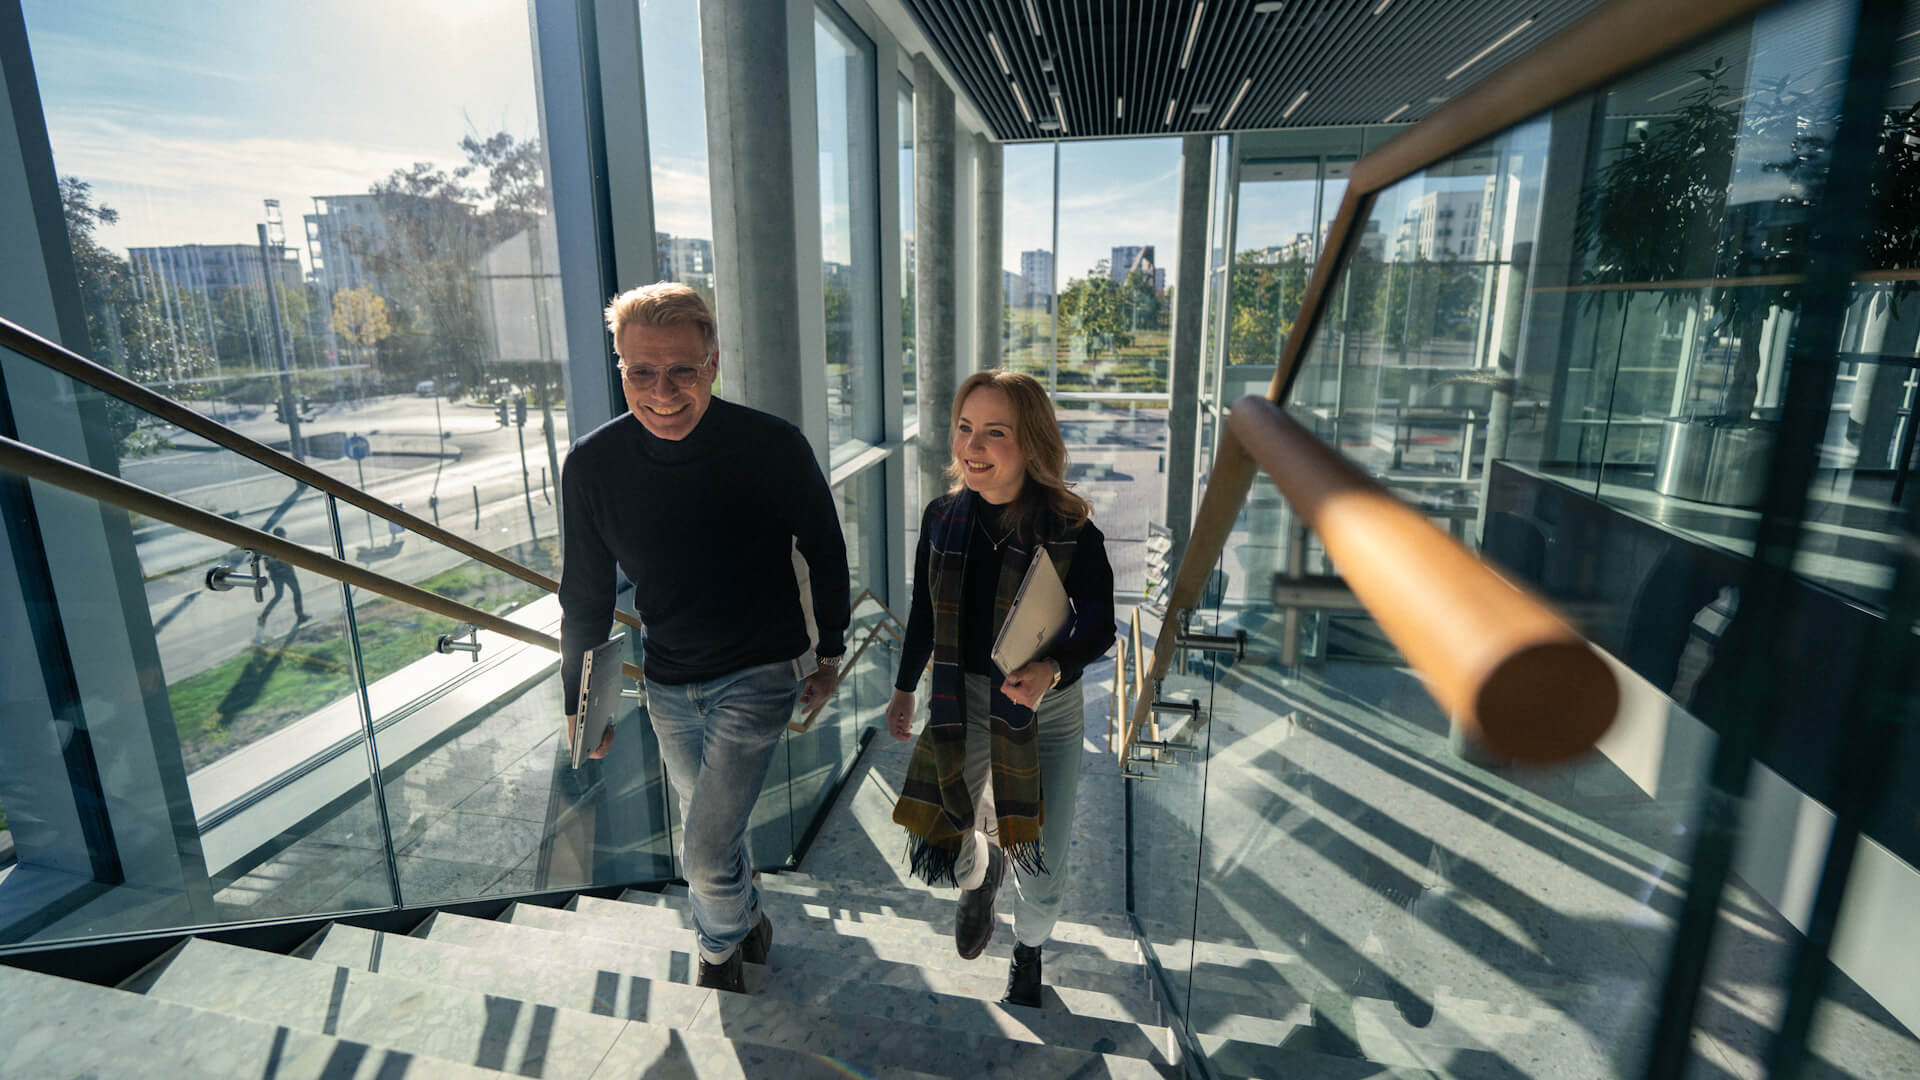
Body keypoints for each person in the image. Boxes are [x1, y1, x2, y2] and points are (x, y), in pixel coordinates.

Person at [558, 282, 850, 994]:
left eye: (682, 370)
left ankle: (719, 954)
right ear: (620, 366)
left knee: (706, 844)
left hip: (761, 671)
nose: (661, 392)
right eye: (640, 372)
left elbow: (826, 547)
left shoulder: (772, 446)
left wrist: (833, 649)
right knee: (711, 827)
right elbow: (587, 595)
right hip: (666, 682)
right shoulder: (593, 465)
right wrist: (582, 702)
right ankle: (748, 918)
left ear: (713, 363)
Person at [888, 370, 1115, 1009]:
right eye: (965, 428)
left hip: (1045, 706)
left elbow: (1100, 625)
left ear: (1031, 443)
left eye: (995, 432)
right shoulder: (941, 518)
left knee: (1044, 844)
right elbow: (925, 610)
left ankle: (1029, 947)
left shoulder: (1071, 527)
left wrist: (1053, 669)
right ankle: (979, 877)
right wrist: (906, 687)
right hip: (963, 692)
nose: (973, 445)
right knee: (953, 827)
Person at [257, 527, 307, 626]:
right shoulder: (282, 544)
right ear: (281, 535)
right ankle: (300, 615)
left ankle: (263, 616)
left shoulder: (269, 545)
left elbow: (266, 564)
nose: (285, 536)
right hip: (287, 574)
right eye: (284, 534)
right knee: (296, 593)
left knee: (278, 596)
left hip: (276, 576)